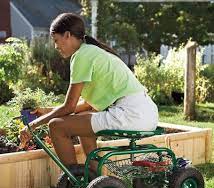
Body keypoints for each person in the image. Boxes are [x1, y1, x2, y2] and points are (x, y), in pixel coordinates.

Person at [20, 13, 158, 169]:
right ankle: (93, 175)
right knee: (82, 118)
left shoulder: (81, 56)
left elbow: (69, 107)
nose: (55, 46)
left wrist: (33, 125)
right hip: (146, 114)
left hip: (130, 114)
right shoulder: (91, 51)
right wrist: (46, 111)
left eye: (56, 40)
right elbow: (86, 105)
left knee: (56, 126)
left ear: (67, 35)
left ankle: (75, 181)